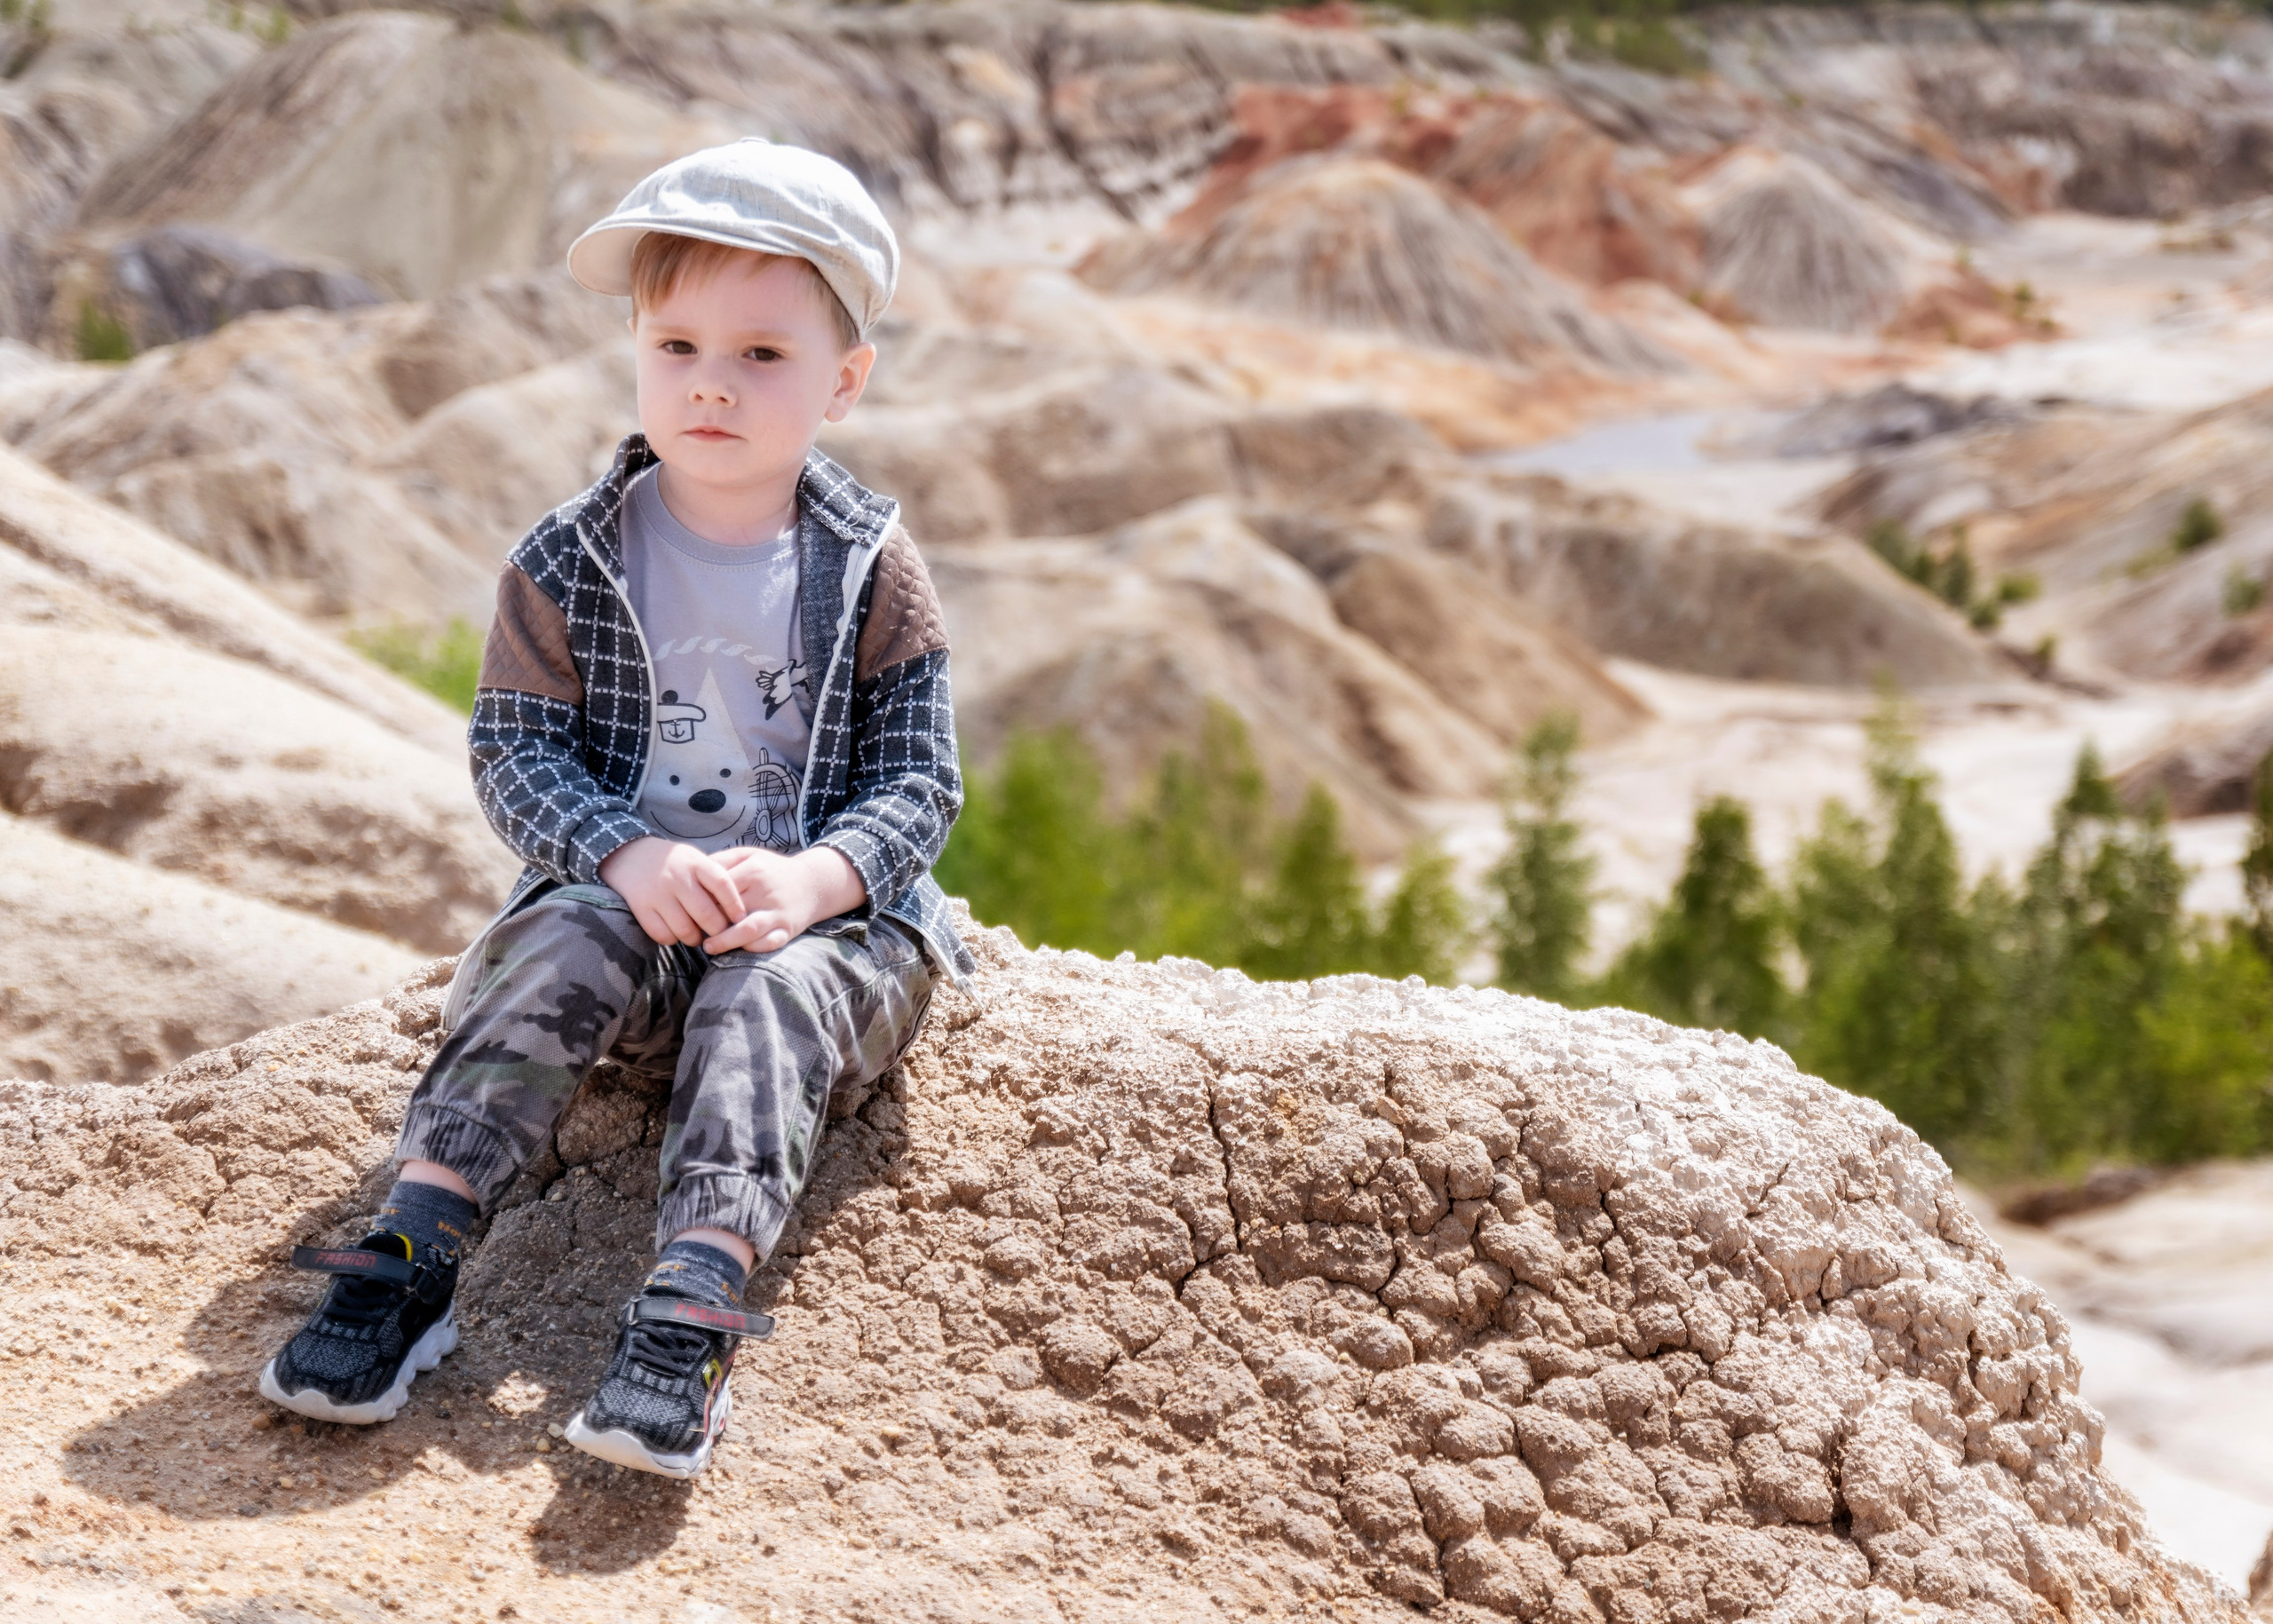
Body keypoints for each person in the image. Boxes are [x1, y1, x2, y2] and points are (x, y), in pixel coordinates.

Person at [255, 139, 971, 1479]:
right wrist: (623, 852)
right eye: (678, 342)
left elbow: (923, 781)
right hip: (628, 921)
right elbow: (515, 752)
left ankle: (691, 1306)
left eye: (765, 354)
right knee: (562, 936)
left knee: (772, 991)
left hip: (813, 938)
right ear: (635, 348)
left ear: (845, 380)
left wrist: (816, 881)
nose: (711, 380)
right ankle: (414, 1250)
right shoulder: (569, 555)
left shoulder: (877, 568)